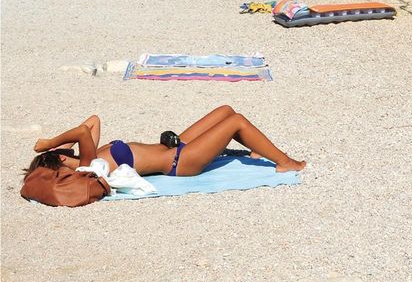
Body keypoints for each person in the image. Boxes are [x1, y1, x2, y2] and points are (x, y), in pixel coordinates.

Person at [25, 106, 305, 179]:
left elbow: (93, 121)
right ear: (60, 159)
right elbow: (81, 133)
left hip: (176, 145)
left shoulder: (90, 156)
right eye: (60, 151)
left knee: (225, 111)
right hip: (180, 162)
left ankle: (257, 145)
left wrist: (54, 147)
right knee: (237, 122)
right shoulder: (86, 166)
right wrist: (49, 142)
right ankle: (285, 163)